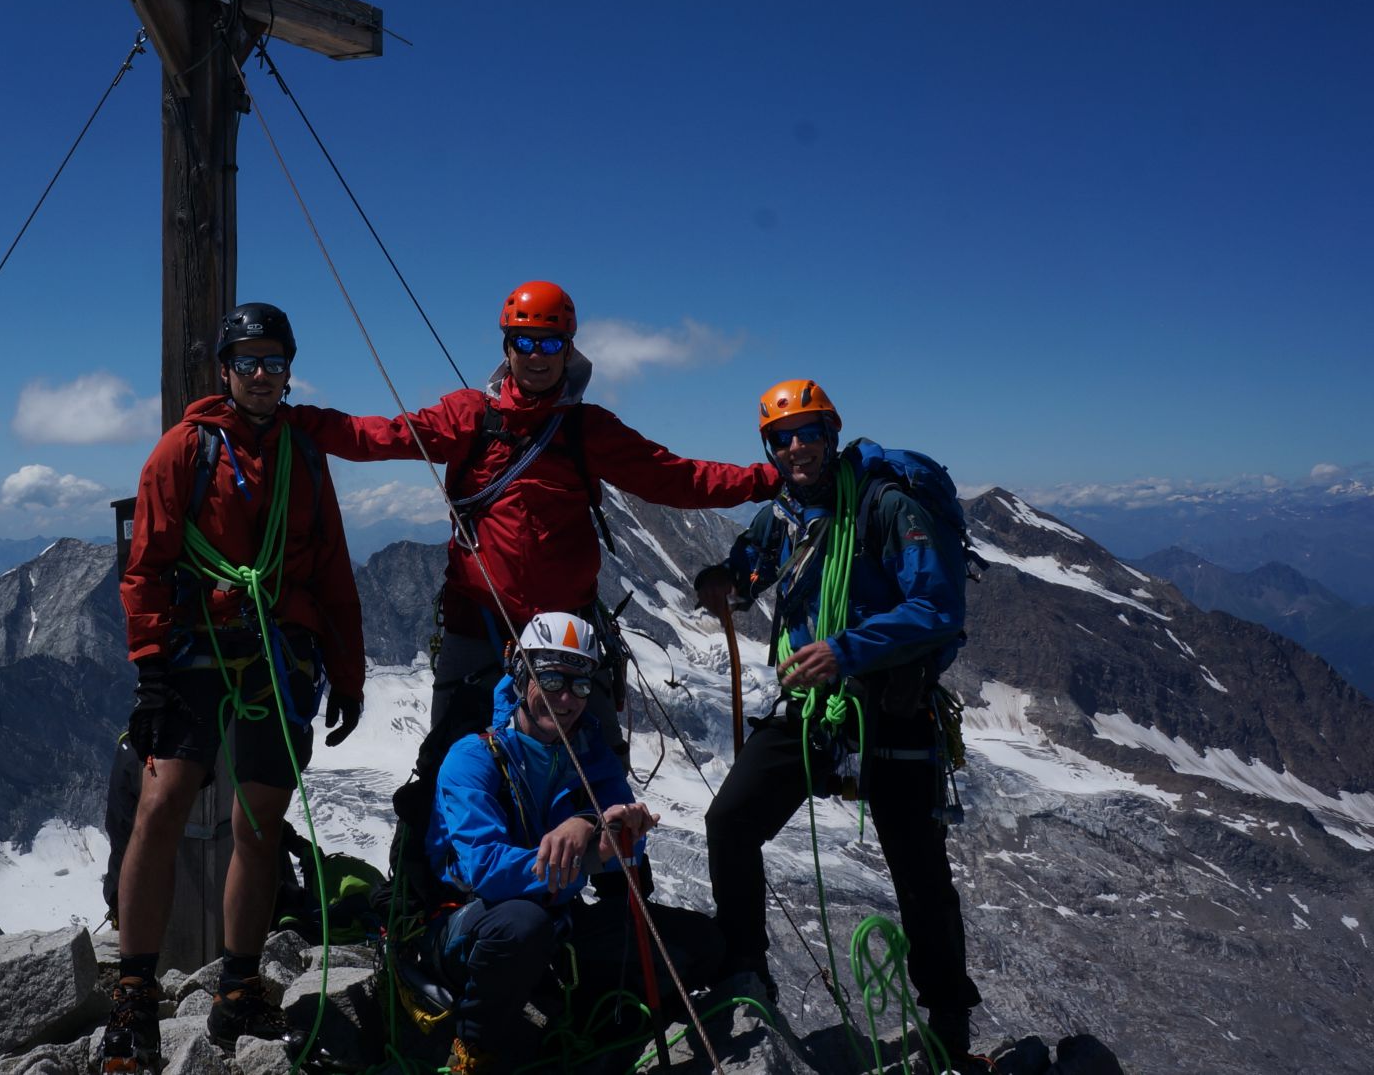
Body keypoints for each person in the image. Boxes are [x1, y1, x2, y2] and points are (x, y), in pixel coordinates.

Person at [284, 280, 781, 757]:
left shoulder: (588, 430)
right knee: (448, 768)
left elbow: (678, 478)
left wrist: (766, 479)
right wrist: (294, 419)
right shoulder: (470, 417)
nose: (537, 355)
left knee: (594, 777)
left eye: (550, 342)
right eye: (525, 341)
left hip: (562, 629)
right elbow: (380, 435)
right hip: (479, 626)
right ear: (507, 347)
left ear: (569, 349)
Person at [96, 303, 367, 1074]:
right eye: (246, 360)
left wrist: (346, 672)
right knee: (159, 807)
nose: (259, 373)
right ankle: (135, 996)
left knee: (261, 821)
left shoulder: (304, 458)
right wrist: (150, 670)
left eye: (272, 361)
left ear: (287, 371)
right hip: (192, 651)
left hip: (276, 650)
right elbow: (145, 564)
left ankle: (238, 983)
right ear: (224, 370)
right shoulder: (184, 449)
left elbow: (332, 573)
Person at [694, 380, 985, 1072]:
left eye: (807, 431)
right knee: (729, 821)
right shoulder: (786, 515)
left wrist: (844, 648)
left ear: (832, 431)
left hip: (889, 704)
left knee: (918, 872)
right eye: (781, 437)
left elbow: (939, 608)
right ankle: (746, 973)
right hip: (816, 710)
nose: (795, 447)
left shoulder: (887, 503)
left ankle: (947, 1019)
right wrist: (723, 584)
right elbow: (749, 572)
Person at [423, 612, 726, 1074]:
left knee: (701, 942)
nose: (565, 699)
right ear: (521, 674)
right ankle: (473, 1050)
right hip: (466, 925)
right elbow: (485, 870)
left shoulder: (589, 754)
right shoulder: (474, 757)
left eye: (580, 686)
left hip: (555, 922)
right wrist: (588, 853)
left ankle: (582, 1021)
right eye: (550, 679)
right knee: (523, 924)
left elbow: (627, 847)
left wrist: (601, 828)